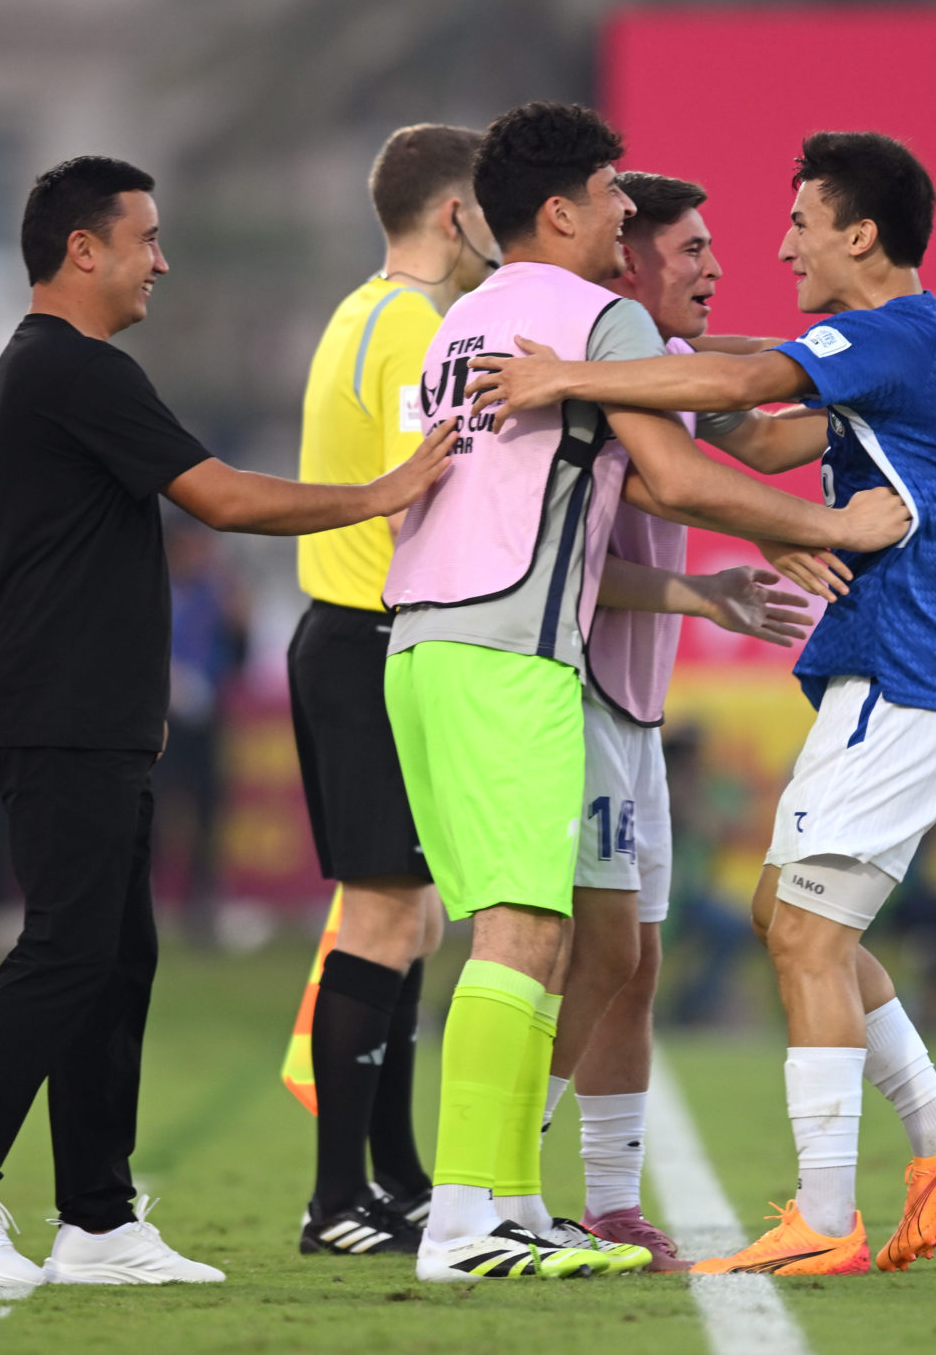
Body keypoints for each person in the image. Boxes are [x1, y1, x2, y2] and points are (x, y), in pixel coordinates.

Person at [0, 154, 457, 1289]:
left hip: (94, 717)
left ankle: (98, 1220)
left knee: (115, 961)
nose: (162, 261)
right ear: (81, 249)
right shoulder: (71, 367)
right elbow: (221, 496)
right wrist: (383, 493)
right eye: (145, 239)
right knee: (68, 948)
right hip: (59, 714)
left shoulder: (67, 369)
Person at [467, 130, 936, 1277]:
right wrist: (650, 350)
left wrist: (569, 374)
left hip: (906, 679)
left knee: (806, 934)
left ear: (859, 234)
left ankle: (824, 1215)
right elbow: (759, 437)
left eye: (801, 224)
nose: (778, 249)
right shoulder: (923, 346)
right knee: (789, 916)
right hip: (912, 679)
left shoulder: (886, 336)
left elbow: (734, 385)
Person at [384, 103, 909, 1283]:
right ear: (561, 210)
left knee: (545, 934)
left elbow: (694, 432)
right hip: (514, 643)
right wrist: (828, 526)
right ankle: (464, 1218)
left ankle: (508, 1205)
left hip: (424, 639)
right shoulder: (599, 314)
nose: (623, 213)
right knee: (526, 933)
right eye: (611, 193)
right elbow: (672, 476)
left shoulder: (464, 318)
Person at [536, 169, 808, 1270]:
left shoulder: (666, 372)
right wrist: (706, 590)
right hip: (577, 689)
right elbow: (567, 561)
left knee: (635, 961)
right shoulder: (600, 380)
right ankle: (491, 1176)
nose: (716, 266)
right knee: (596, 950)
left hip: (636, 705)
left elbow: (761, 420)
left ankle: (609, 1204)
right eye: (691, 248)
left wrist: (881, 392)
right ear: (626, 257)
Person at [285, 123, 495, 1259]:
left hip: (349, 632)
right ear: (454, 213)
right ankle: (333, 1200)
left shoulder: (357, 311)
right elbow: (433, 486)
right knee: (380, 914)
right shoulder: (417, 326)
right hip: (370, 636)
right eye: (490, 210)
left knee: (410, 913)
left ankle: (394, 1176)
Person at [156, 520, 249, 918]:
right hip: (159, 715)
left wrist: (239, 625)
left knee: (207, 806)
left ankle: (201, 896)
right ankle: (150, 892)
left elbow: (237, 658)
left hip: (206, 716)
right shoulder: (157, 591)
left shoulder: (216, 593)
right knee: (155, 805)